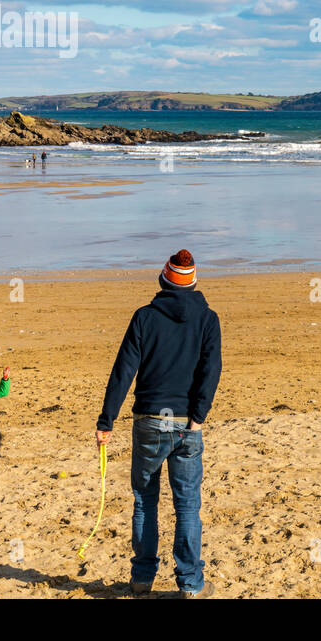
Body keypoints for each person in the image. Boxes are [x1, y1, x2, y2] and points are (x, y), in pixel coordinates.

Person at [96, 249, 222, 598]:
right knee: (186, 505)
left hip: (151, 422)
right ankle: (191, 585)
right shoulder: (207, 318)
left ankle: (142, 579)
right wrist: (198, 418)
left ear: (163, 281)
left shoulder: (146, 317)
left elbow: (123, 371)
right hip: (184, 425)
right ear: (193, 284)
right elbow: (210, 374)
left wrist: (107, 420)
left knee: (145, 501)